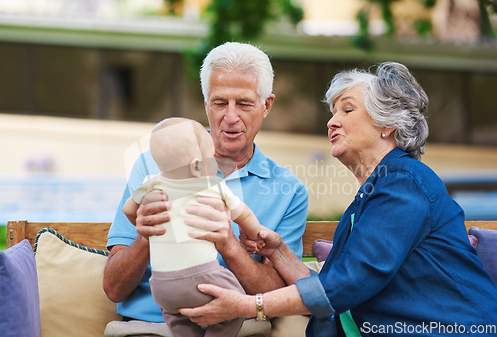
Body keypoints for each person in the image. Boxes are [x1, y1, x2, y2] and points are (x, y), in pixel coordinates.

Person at [179, 62, 497, 336]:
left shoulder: (405, 184)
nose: (331, 122)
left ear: (387, 123)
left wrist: (250, 305)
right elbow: (331, 286)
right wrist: (279, 253)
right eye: (332, 112)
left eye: (347, 109)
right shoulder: (372, 196)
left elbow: (347, 285)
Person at [103, 42, 309, 328]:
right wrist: (147, 236)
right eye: (220, 102)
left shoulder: (289, 190)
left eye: (245, 103)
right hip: (151, 327)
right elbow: (114, 289)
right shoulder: (153, 166)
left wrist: (229, 244)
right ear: (205, 103)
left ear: (266, 105)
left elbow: (276, 296)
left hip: (237, 330)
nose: (231, 117)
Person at [122, 117, 267, 336]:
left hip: (162, 288)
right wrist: (253, 233)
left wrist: (143, 226)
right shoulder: (212, 186)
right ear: (197, 167)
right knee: (238, 306)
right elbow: (244, 214)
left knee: (174, 316)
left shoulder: (151, 183)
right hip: (202, 278)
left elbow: (128, 210)